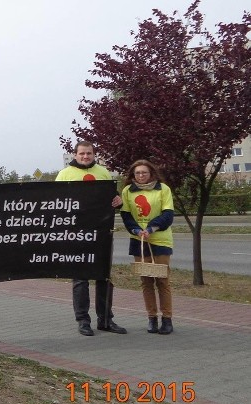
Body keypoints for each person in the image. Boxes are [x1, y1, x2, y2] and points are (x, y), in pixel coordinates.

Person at [56, 140, 126, 336]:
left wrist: (119, 201)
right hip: (76, 233)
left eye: (89, 153)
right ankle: (83, 321)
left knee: (104, 277)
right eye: (82, 153)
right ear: (75, 155)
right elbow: (56, 203)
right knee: (80, 279)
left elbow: (113, 198)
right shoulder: (65, 175)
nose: (86, 156)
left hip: (102, 232)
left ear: (94, 154)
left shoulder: (103, 173)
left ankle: (105, 319)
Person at [120, 159, 175, 335]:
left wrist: (151, 228)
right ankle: (152, 318)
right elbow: (126, 216)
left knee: (162, 281)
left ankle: (167, 319)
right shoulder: (128, 191)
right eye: (137, 173)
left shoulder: (163, 189)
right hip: (139, 241)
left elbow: (168, 215)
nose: (141, 175)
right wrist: (137, 230)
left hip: (159, 240)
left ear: (151, 173)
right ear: (132, 175)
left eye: (144, 172)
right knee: (146, 282)